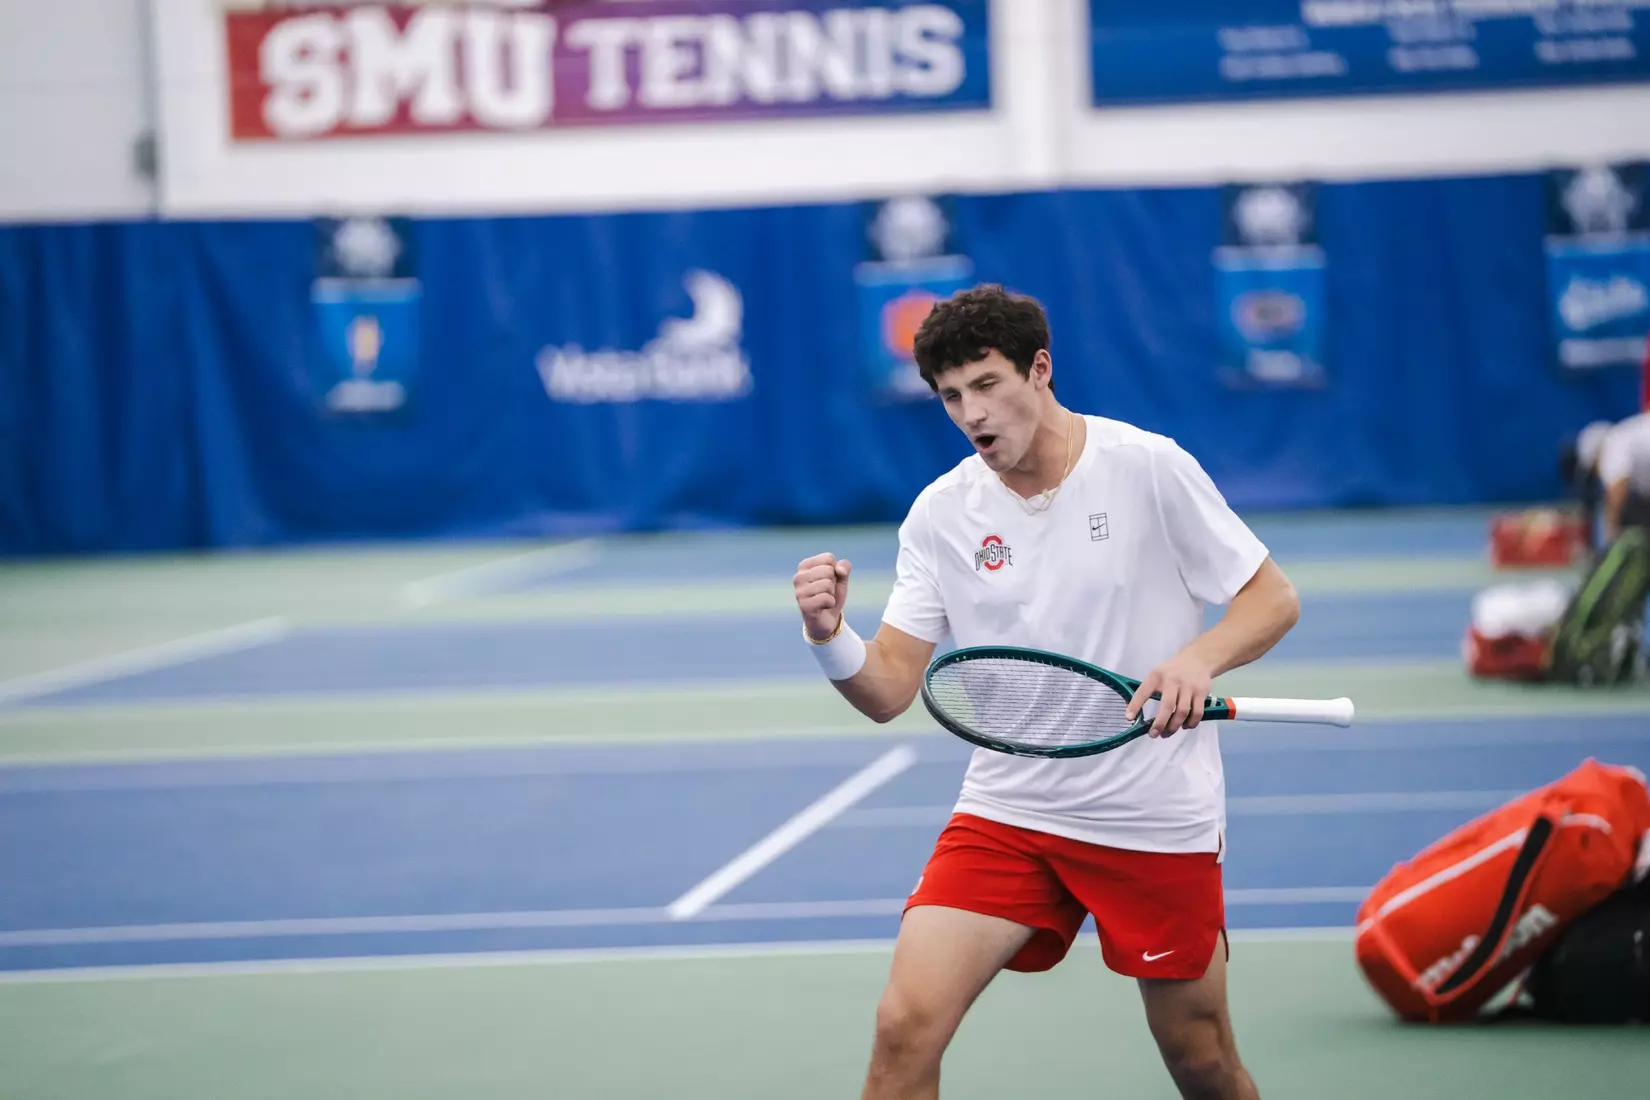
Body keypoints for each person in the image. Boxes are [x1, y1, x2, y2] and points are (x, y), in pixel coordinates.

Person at [790, 285, 1301, 1100]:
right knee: (902, 1029)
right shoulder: (939, 515)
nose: (970, 413)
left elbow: (1272, 598)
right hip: (1010, 811)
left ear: (1040, 369)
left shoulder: (1147, 467)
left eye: (987, 385)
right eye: (951, 396)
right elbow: (888, 686)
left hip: (1151, 816)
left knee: (1200, 1061)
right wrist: (828, 637)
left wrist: (1196, 660)